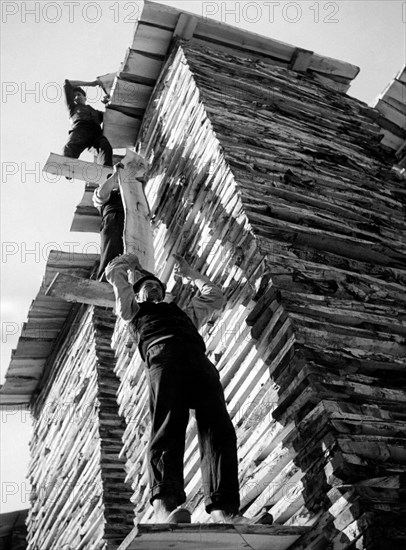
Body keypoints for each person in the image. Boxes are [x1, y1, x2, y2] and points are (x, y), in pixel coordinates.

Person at [105, 252, 255, 524]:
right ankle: (164, 506)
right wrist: (129, 264)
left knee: (218, 427)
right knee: (168, 424)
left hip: (198, 359)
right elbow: (114, 274)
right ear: (136, 295)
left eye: (156, 286)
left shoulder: (185, 314)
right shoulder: (133, 311)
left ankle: (226, 509)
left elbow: (214, 296)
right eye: (144, 287)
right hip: (163, 356)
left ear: (165, 293)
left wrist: (190, 274)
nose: (151, 288)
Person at [93, 156, 148, 280]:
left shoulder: (132, 192)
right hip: (114, 219)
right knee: (112, 249)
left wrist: (142, 185)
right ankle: (105, 277)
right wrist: (115, 175)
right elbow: (101, 195)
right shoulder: (107, 194)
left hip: (133, 220)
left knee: (132, 253)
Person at [63, 78, 113, 167]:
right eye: (74, 96)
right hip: (80, 130)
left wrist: (108, 104)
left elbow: (110, 116)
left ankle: (106, 169)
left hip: (96, 133)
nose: (76, 97)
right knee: (70, 147)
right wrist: (92, 83)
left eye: (78, 95)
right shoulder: (72, 107)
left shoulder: (96, 112)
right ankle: (67, 167)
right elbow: (67, 83)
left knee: (105, 146)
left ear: (85, 98)